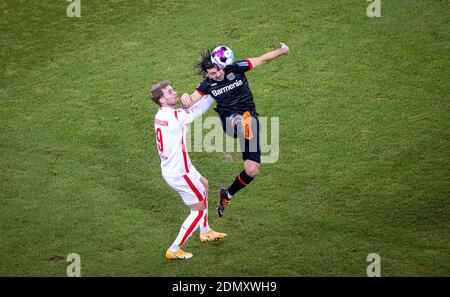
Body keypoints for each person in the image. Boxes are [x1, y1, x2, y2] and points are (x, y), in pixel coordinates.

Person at [181, 43, 289, 217]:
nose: (216, 75)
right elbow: (191, 101)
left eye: (217, 71)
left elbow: (262, 59)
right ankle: (243, 124)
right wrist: (185, 97)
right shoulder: (207, 85)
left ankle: (227, 194)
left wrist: (283, 51)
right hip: (230, 120)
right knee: (240, 120)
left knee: (251, 170)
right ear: (207, 74)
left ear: (221, 65)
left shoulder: (236, 68)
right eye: (212, 74)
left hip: (251, 118)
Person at [150, 81, 227, 260]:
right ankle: (174, 249)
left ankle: (205, 231)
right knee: (197, 211)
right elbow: (199, 109)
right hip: (180, 173)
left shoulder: (162, 114)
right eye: (170, 92)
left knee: (204, 184)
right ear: (162, 99)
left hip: (177, 168)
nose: (174, 93)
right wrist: (214, 91)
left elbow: (188, 110)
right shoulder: (175, 117)